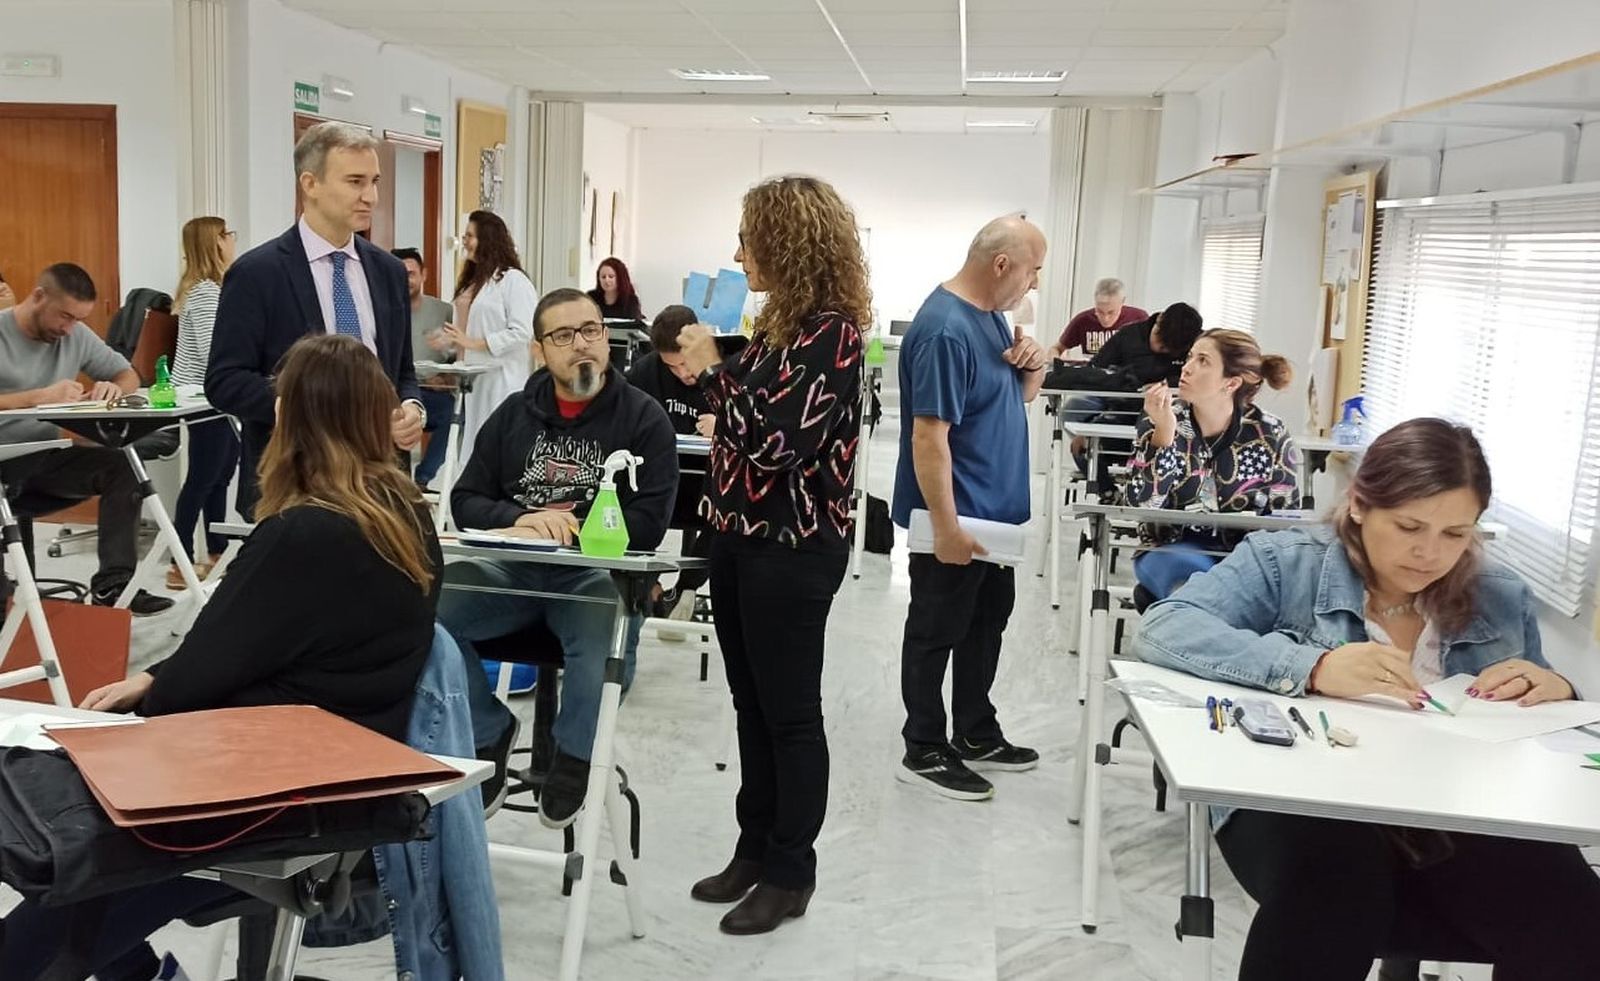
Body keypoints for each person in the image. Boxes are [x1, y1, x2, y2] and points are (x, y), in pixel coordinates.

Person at [0, 334, 443, 981]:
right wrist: (158, 681)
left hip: (261, 796)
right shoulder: (405, 515)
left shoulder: (301, 534)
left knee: (58, 871)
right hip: (347, 782)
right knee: (79, 875)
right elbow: (238, 653)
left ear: (295, 417)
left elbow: (200, 676)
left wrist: (142, 698)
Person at [1137, 418, 1600, 981]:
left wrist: (1556, 689)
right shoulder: (1287, 563)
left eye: (1456, 534)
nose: (1430, 553)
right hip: (1302, 798)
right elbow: (1165, 627)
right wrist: (1314, 666)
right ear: (1358, 505)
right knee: (1336, 894)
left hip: (1452, 805)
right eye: (1409, 526)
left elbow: (1535, 714)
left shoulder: (1499, 596)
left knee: (1571, 914)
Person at [671, 175, 868, 936]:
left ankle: (792, 871)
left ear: (787, 243)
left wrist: (715, 376)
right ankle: (753, 848)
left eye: (748, 239)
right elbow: (741, 417)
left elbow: (781, 440)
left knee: (789, 714)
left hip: (792, 547)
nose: (737, 254)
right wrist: (717, 374)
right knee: (749, 705)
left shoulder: (834, 336)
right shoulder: (777, 329)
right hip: (740, 538)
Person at [441, 287, 677, 825]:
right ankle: (488, 730)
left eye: (591, 331)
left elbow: (647, 525)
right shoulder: (511, 416)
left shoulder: (644, 419)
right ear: (540, 350)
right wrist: (518, 520)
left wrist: (574, 531)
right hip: (515, 571)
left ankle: (575, 755)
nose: (581, 346)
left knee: (600, 631)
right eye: (564, 336)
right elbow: (465, 501)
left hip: (592, 578)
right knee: (428, 612)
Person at [889, 216, 1048, 803]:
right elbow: (929, 437)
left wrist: (1032, 369)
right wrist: (949, 528)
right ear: (1001, 264)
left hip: (995, 519)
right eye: (1032, 271)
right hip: (958, 517)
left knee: (985, 624)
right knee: (937, 628)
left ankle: (976, 732)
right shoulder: (945, 331)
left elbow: (1012, 398)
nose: (1034, 284)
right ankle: (924, 745)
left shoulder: (990, 317)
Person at [207, 121, 425, 521]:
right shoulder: (258, 273)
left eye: (374, 181)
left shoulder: (388, 271)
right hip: (295, 479)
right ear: (310, 183)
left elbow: (401, 370)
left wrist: (412, 407)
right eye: (355, 181)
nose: (371, 196)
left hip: (380, 475)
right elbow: (224, 381)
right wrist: (301, 406)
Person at [0, 263, 172, 615]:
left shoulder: (74, 335)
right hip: (3, 460)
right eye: (64, 316)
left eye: (77, 319)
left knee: (122, 463)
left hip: (43, 459)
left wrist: (114, 388)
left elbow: (128, 374)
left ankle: (114, 586)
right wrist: (36, 397)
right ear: (38, 296)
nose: (68, 328)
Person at [1124, 328, 1300, 600]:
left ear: (1231, 383)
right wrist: (1165, 434)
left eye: (1203, 361)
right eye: (1190, 357)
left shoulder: (1269, 433)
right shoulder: (1160, 418)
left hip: (1244, 558)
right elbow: (1140, 503)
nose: (1187, 368)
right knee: (1194, 582)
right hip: (1170, 550)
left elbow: (1286, 519)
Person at [625, 304, 750, 619]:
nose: (683, 373)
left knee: (728, 510)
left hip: (711, 486)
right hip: (660, 483)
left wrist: (724, 424)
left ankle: (686, 588)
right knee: (624, 501)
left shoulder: (730, 367)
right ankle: (646, 581)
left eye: (685, 363)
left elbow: (759, 428)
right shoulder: (645, 371)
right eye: (671, 368)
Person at [167, 217, 242, 590]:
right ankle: (178, 562)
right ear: (214, 244)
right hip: (202, 396)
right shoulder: (205, 292)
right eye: (227, 235)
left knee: (220, 474)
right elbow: (216, 349)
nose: (233, 240)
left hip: (213, 396)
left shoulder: (212, 289)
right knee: (203, 477)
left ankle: (217, 551)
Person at [440, 209, 537, 456]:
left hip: (502, 380)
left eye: (470, 235)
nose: (465, 241)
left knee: (496, 446)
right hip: (473, 379)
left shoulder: (514, 281)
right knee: (473, 447)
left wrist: (475, 343)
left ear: (488, 239)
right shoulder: (472, 283)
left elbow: (522, 332)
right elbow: (464, 329)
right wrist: (448, 342)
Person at [393, 247, 456, 490]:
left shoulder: (443, 311)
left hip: (430, 391)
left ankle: (423, 478)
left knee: (453, 414)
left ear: (423, 275)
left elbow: (454, 355)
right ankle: (399, 484)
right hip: (395, 392)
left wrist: (444, 374)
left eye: (411, 273)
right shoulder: (384, 309)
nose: (406, 280)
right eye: (399, 274)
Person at [1050, 276, 1147, 361]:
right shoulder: (1082, 320)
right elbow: (1056, 349)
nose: (1106, 318)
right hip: (1094, 376)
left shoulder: (1139, 318)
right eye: (1100, 311)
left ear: (1122, 302)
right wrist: (1057, 361)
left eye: (1111, 312)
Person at [588, 256, 643, 321]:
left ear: (620, 278)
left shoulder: (631, 301)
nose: (606, 280)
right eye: (603, 277)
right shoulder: (591, 297)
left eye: (611, 276)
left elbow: (634, 325)